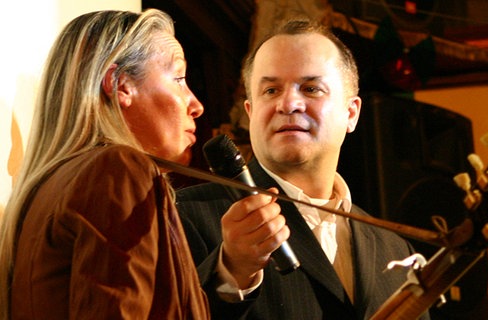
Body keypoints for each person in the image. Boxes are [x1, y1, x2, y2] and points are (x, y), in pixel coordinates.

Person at [177, 19, 429, 319]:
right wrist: (231, 271)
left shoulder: (395, 250)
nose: (288, 104)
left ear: (351, 113)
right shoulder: (181, 216)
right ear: (250, 112)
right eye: (270, 90)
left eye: (311, 88)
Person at [0, 9, 210, 319]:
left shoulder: (48, 186)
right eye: (178, 78)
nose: (196, 105)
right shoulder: (117, 169)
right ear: (121, 85)